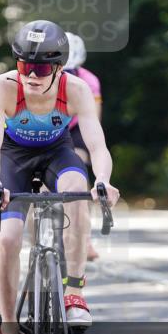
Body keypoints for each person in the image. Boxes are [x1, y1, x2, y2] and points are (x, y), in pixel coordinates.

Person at [0, 20, 120, 334]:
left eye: (41, 67)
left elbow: (97, 146)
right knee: (8, 239)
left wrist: (103, 180)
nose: (31, 75)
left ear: (58, 66)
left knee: (77, 185)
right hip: (14, 157)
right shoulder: (1, 87)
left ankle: (74, 292)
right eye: (25, 66)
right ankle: (9, 330)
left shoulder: (76, 89)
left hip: (57, 152)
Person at [63, 32, 104, 261]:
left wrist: (91, 147)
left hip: (77, 125)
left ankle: (84, 236)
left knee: (78, 163)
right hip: (48, 125)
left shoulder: (89, 81)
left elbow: (94, 120)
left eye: (71, 72)